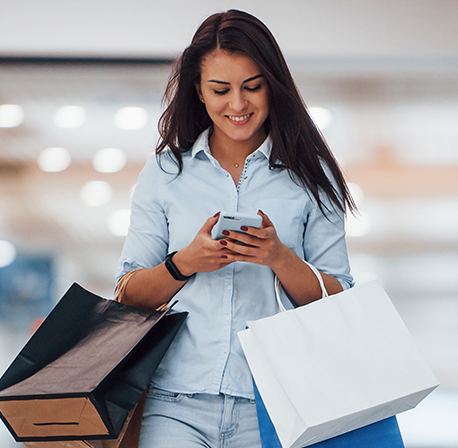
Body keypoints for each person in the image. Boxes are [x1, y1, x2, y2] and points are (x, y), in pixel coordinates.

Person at [114, 9, 357, 447]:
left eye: (252, 87)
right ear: (199, 92)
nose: (238, 105)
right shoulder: (167, 171)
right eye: (220, 89)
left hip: (270, 406)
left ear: (273, 85)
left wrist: (278, 258)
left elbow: (339, 299)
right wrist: (183, 264)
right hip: (174, 402)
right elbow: (126, 293)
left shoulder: (311, 176)